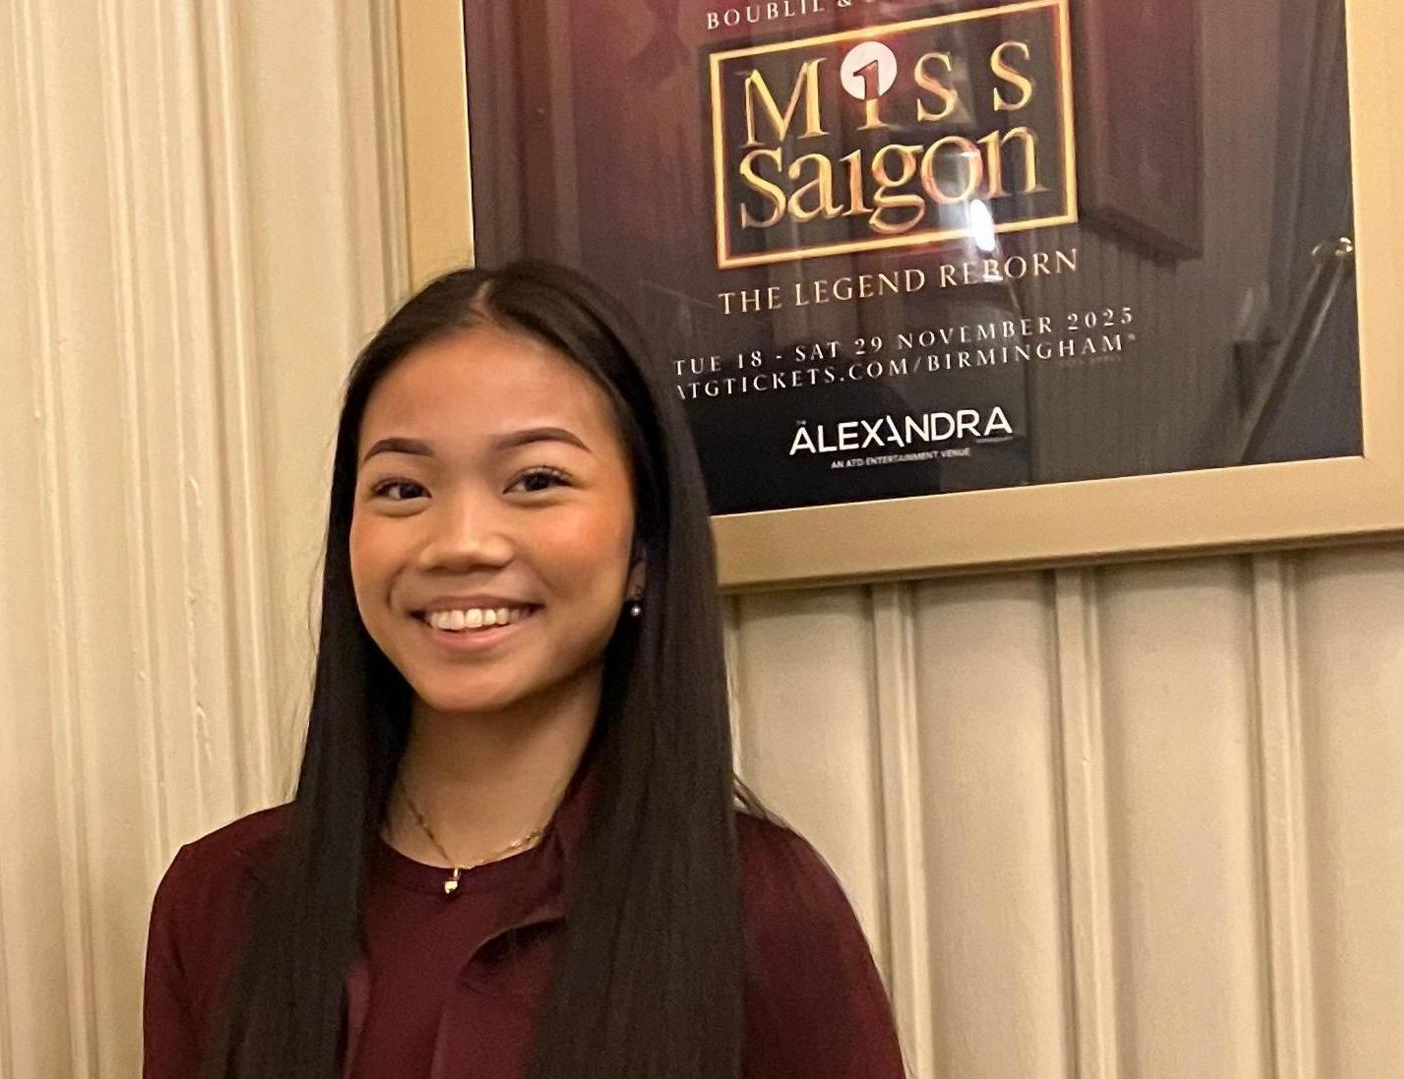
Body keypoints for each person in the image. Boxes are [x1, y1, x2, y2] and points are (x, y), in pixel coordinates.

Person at [141, 261, 909, 1079]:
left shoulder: (759, 909)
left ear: (644, 547)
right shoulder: (222, 897)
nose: (461, 540)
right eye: (402, 487)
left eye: (536, 480)